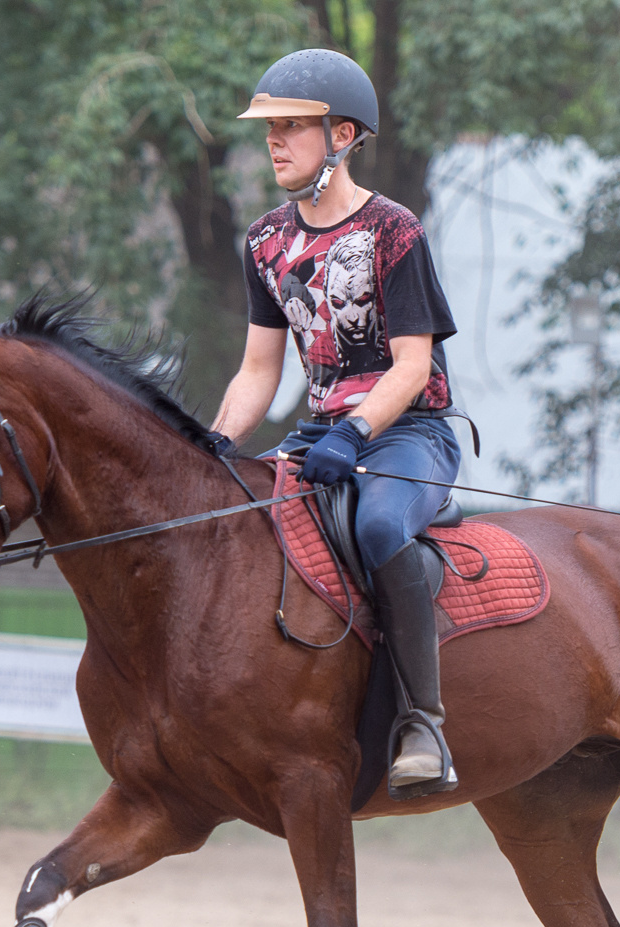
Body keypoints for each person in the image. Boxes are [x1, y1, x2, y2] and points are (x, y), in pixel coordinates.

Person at [210, 48, 463, 795]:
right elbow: (260, 371)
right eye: (270, 129)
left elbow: (412, 365)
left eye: (290, 127)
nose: (274, 141)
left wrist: (356, 432)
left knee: (381, 527)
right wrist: (216, 443)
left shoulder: (394, 230)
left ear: (342, 136)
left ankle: (423, 724)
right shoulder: (264, 242)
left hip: (410, 431)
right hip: (321, 436)